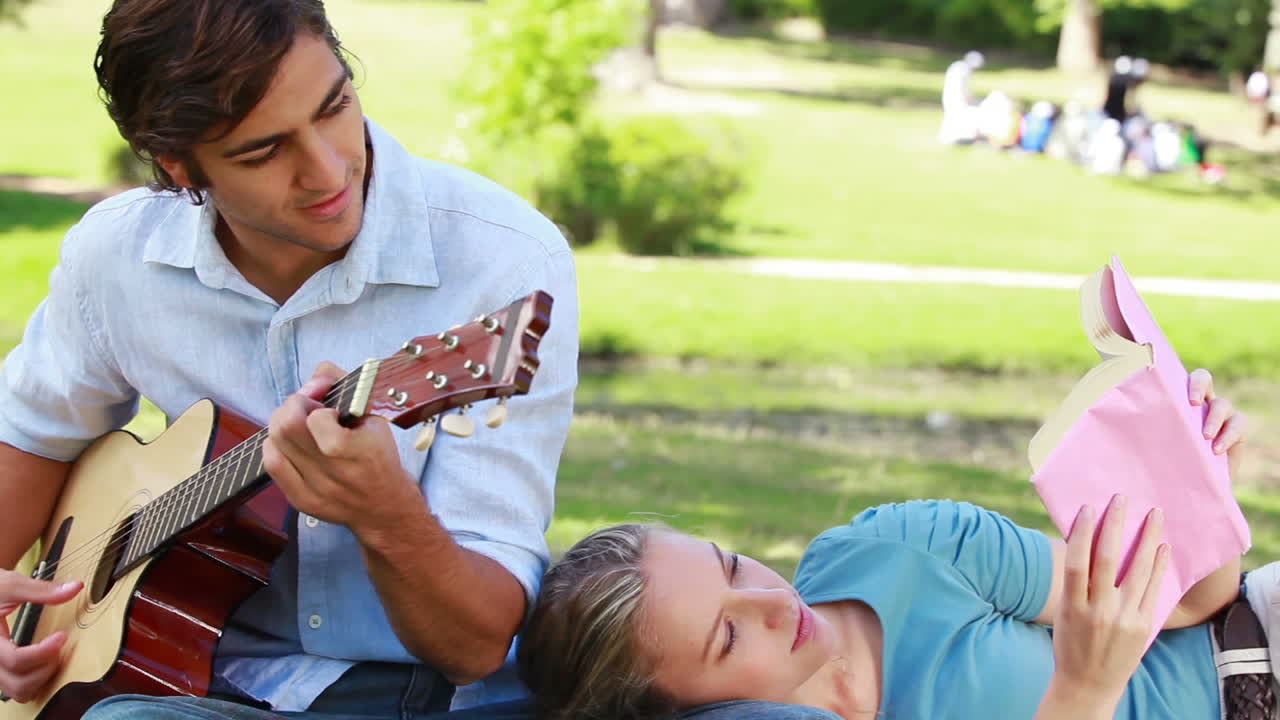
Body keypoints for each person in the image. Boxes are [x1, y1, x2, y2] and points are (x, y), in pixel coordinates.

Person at [0, 0, 579, 718]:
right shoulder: (117, 258)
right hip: (191, 675)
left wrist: (387, 515)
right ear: (181, 168)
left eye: (334, 107)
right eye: (263, 150)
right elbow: (29, 432)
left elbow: (475, 646)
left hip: (420, 692)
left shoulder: (504, 262)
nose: (328, 167)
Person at [519, 370, 1262, 720]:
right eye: (727, 635)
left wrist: (1200, 491)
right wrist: (1084, 691)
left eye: (734, 565)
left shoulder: (897, 547)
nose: (774, 602)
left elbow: (1197, 600)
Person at [938, 50, 985, 145]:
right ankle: (954, 138)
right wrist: (971, 100)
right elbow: (962, 88)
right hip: (955, 98)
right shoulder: (964, 69)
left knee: (951, 117)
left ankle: (948, 137)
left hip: (950, 96)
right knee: (957, 117)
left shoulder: (958, 66)